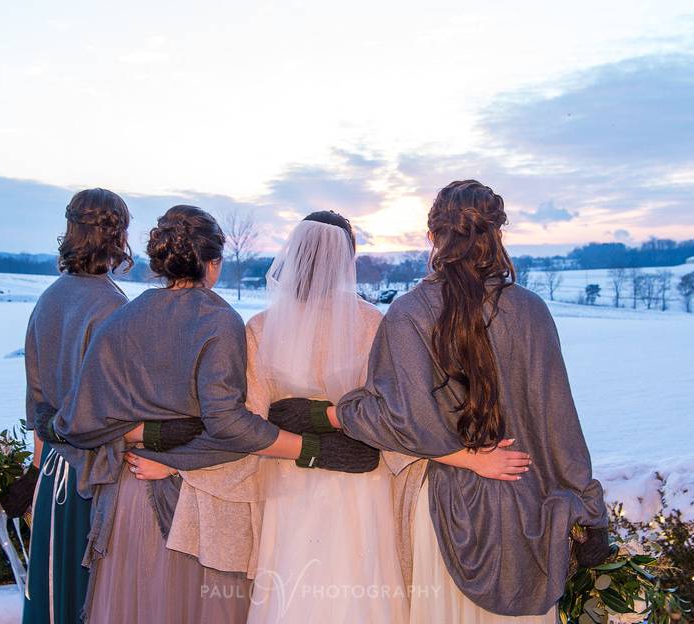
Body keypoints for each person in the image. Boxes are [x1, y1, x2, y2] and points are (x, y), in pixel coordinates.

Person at [133, 210, 534, 623]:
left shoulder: (259, 328)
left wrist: (176, 465)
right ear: (347, 259)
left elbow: (242, 427)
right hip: (363, 487)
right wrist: (469, 456)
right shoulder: (373, 323)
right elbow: (399, 415)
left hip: (288, 484)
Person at [274, 181, 611, 622]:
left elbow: (398, 418)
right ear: (496, 235)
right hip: (527, 505)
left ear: (432, 236)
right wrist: (590, 508)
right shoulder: (530, 311)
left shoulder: (410, 311)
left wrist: (328, 413)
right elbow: (559, 422)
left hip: (442, 511)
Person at [48, 205, 379, 624]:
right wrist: (315, 447)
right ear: (214, 263)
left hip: (128, 496)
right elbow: (230, 425)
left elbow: (76, 424)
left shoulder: (121, 319)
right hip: (190, 504)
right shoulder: (222, 321)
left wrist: (142, 436)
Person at [20, 188, 132, 624]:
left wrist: (35, 471)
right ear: (118, 237)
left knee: (51, 590)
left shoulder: (47, 298)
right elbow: (114, 410)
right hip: (94, 476)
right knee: (88, 597)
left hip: (52, 475)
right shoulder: (114, 307)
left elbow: (37, 403)